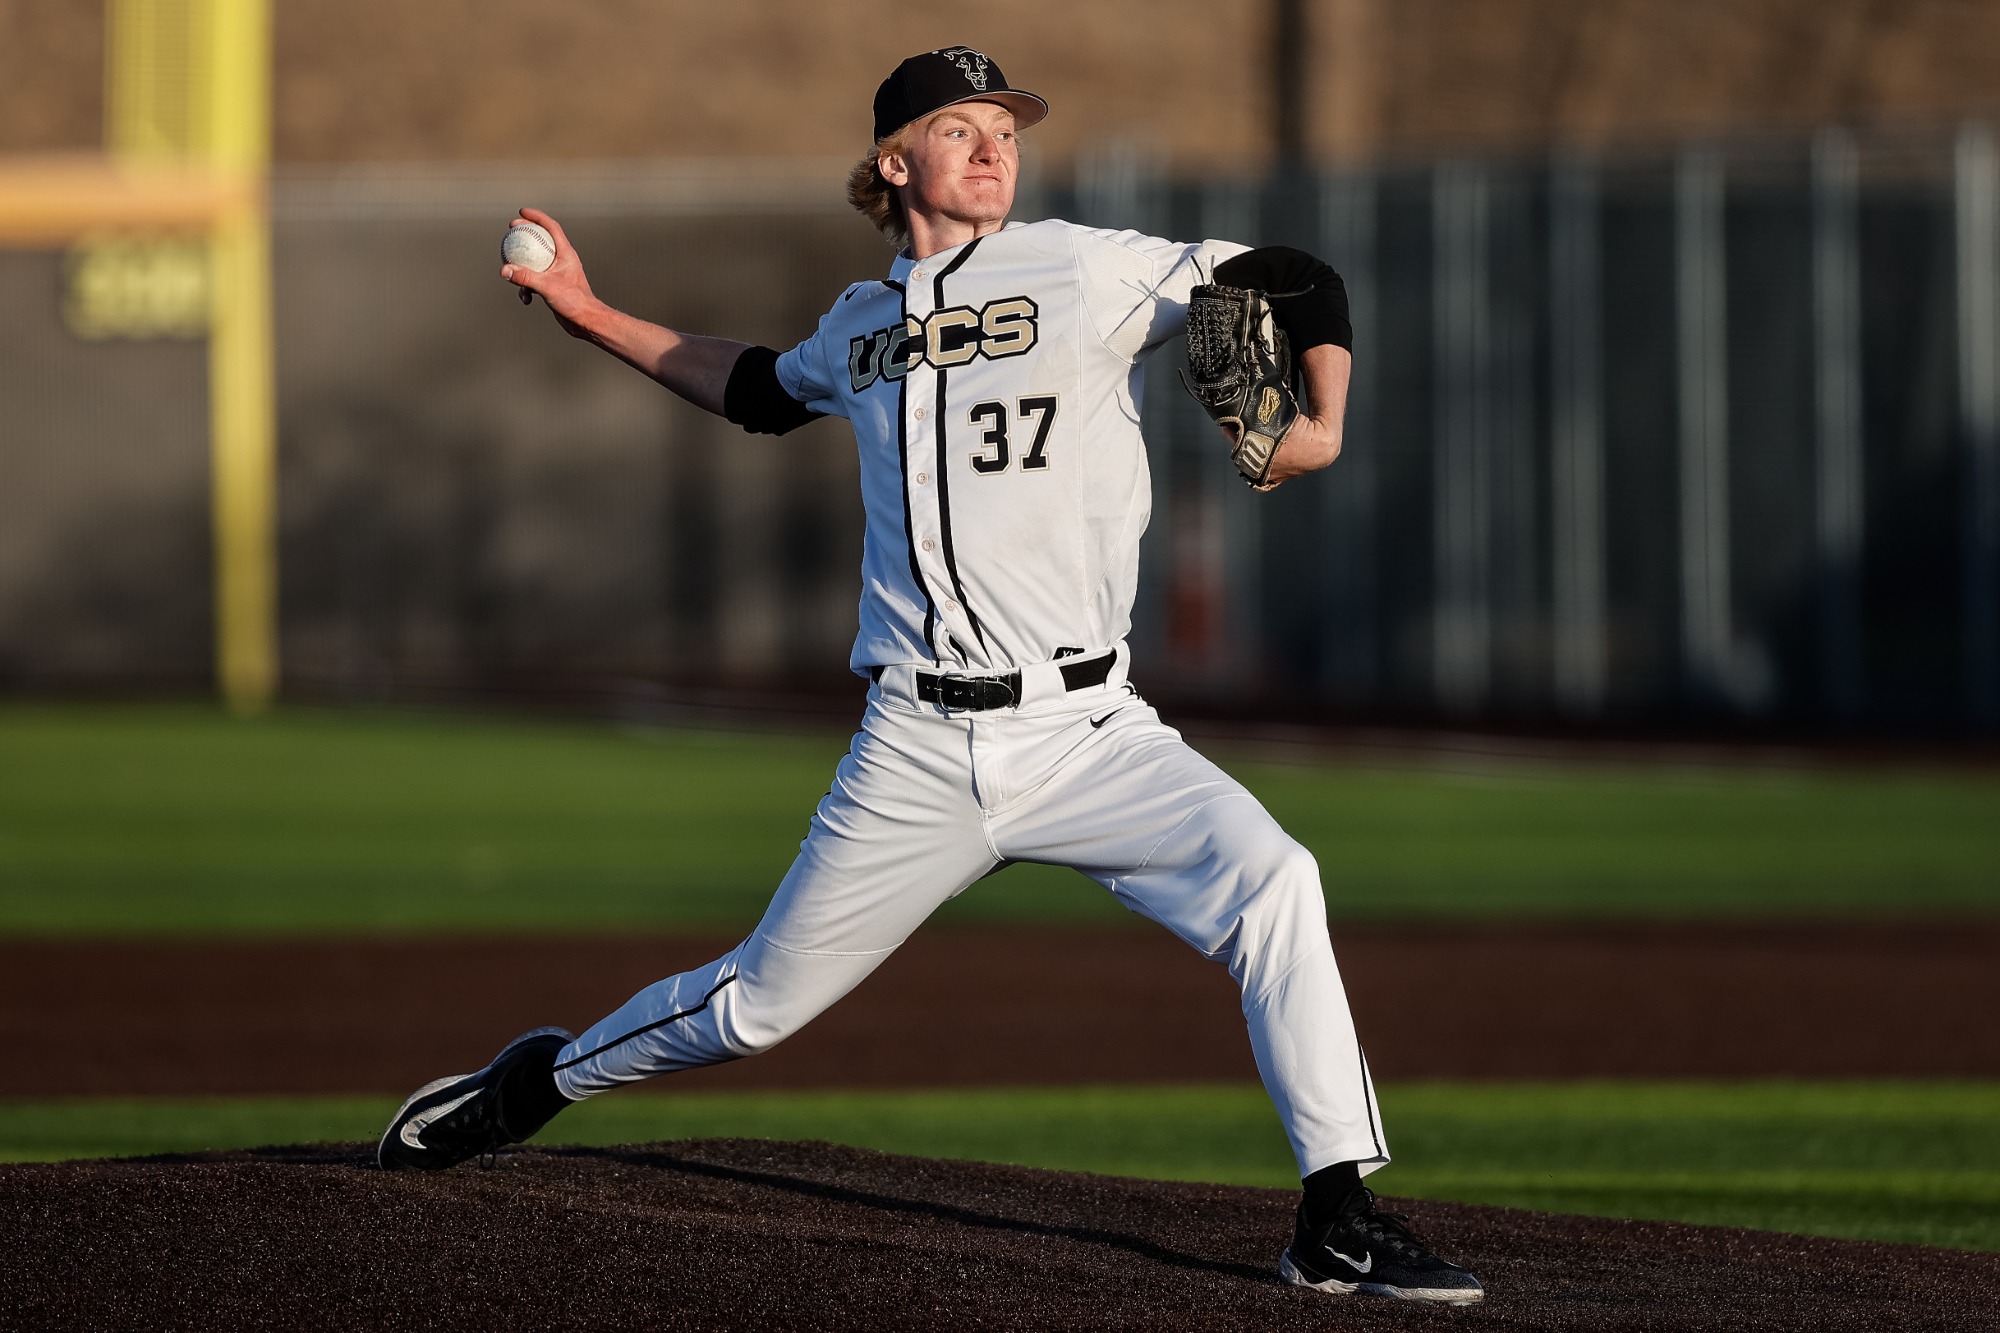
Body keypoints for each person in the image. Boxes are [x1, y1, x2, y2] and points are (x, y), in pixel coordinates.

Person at [378, 47, 1483, 1305]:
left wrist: (1320, 421)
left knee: (1276, 882)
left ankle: (1334, 1217)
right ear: (894, 162)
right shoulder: (856, 328)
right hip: (916, 742)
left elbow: (1290, 277)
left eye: (1004, 129)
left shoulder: (1084, 267)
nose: (994, 148)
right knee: (753, 1010)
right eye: (960, 129)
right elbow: (749, 387)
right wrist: (587, 310)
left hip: (1089, 728)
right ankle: (537, 1081)